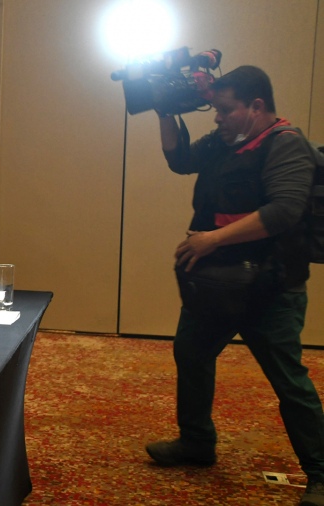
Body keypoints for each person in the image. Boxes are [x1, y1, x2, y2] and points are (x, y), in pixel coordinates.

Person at [145, 65, 324, 506]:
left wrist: (212, 239)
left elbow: (283, 211)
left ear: (256, 106)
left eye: (226, 110)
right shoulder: (226, 141)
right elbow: (180, 160)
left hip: (271, 288)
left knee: (288, 380)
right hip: (217, 282)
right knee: (191, 353)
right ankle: (196, 443)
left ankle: (321, 473)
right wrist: (164, 111)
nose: (218, 118)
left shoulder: (286, 145)